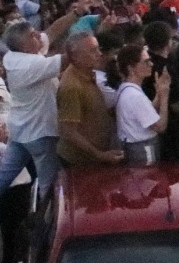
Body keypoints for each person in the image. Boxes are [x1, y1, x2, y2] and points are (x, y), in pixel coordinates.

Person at [0, 15, 74, 198]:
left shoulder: (14, 55)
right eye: (34, 35)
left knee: (3, 176)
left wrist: (77, 13)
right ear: (25, 44)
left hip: (19, 130)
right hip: (39, 133)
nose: (39, 36)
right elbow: (69, 58)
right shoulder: (31, 64)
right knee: (48, 183)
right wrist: (86, 45)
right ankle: (44, 223)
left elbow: (52, 31)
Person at [55, 30, 121, 168]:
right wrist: (100, 155)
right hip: (80, 162)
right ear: (75, 56)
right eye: (93, 51)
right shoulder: (71, 86)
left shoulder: (88, 73)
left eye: (98, 49)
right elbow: (68, 132)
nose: (99, 54)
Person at [113, 44, 171, 165]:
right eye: (146, 62)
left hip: (134, 146)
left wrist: (159, 93)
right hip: (142, 150)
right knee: (149, 181)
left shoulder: (127, 89)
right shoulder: (134, 96)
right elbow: (160, 127)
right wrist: (165, 96)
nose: (151, 64)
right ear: (131, 68)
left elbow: (147, 112)